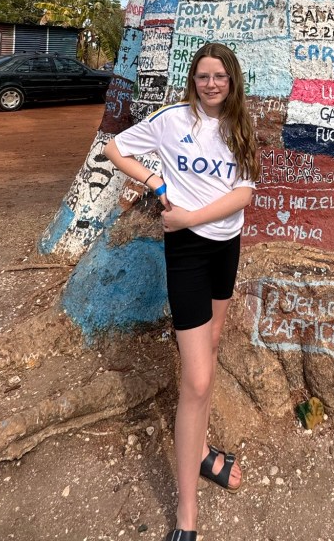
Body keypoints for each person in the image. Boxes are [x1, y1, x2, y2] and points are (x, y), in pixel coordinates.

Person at [104, 42, 259, 541]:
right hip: (187, 257)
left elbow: (242, 193)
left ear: (232, 80)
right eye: (202, 76)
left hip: (225, 248)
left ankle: (202, 450)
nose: (211, 84)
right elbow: (115, 148)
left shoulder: (240, 127)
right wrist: (154, 181)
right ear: (192, 80)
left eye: (219, 76)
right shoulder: (172, 121)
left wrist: (190, 214)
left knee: (210, 351)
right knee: (195, 380)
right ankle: (186, 519)